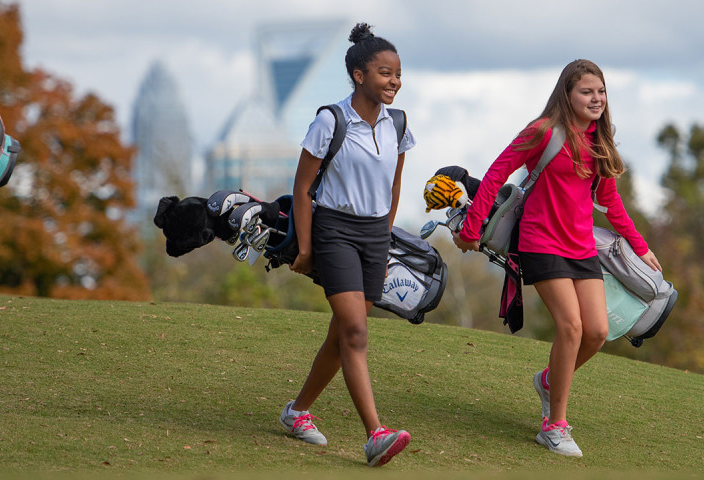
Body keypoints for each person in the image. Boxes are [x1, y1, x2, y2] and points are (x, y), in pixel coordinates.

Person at [452, 59, 661, 457]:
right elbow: (497, 173)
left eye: (600, 92)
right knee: (571, 328)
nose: (595, 98)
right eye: (587, 91)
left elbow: (609, 201)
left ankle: (549, 381)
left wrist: (639, 245)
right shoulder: (542, 132)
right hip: (540, 242)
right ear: (567, 94)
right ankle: (554, 426)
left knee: (597, 331)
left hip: (583, 247)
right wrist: (472, 226)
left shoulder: (600, 139)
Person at [280, 22, 415, 467]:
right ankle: (375, 434)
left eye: (396, 73)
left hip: (376, 236)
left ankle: (297, 411)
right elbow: (302, 189)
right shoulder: (330, 121)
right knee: (356, 331)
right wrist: (305, 246)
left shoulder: (398, 122)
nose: (394, 81)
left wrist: (386, 236)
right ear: (359, 76)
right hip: (334, 231)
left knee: (342, 335)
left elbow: (394, 185)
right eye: (383, 72)